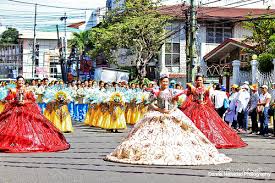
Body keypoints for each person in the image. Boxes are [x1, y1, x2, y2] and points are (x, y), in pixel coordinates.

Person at [105, 75, 232, 165]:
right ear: (160, 82)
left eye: (167, 81)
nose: (165, 83)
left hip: (171, 113)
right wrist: (160, 110)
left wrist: (171, 109)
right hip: (158, 113)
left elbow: (175, 102)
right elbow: (150, 104)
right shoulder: (155, 91)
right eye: (164, 81)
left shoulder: (172, 91)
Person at [0, 76, 70, 152]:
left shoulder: (28, 90)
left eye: (22, 81)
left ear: (24, 82)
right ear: (16, 82)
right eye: (19, 81)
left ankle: (26, 141)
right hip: (15, 110)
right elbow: (9, 99)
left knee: (28, 126)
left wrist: (24, 102)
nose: (21, 82)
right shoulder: (13, 90)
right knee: (13, 126)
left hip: (26, 109)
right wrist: (15, 102)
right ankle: (13, 142)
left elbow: (32, 100)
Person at [181, 75, 247, 149]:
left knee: (207, 124)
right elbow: (189, 97)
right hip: (194, 108)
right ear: (196, 81)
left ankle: (205, 139)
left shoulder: (206, 89)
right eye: (198, 80)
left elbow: (207, 99)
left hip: (203, 108)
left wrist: (204, 103)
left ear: (203, 81)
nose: (199, 81)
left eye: (200, 80)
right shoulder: (193, 88)